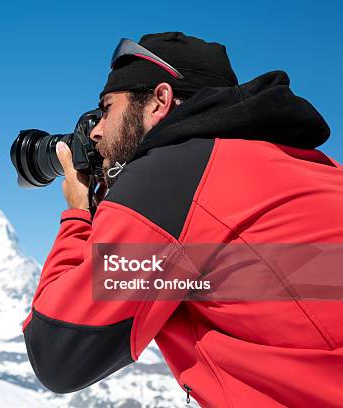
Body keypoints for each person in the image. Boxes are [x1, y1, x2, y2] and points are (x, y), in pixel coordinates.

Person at [21, 32, 343, 407]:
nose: (96, 132)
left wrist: (79, 214)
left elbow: (57, 354)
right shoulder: (318, 169)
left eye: (107, 109)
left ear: (160, 101)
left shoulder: (173, 179)